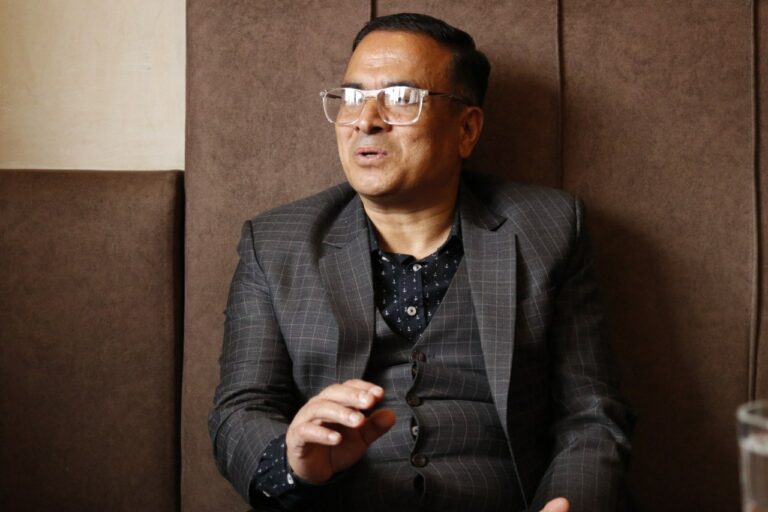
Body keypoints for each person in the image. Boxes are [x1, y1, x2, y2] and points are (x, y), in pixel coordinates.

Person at [209, 12, 634, 512]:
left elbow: (591, 413)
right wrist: (293, 462)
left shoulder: (550, 227)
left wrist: (567, 504)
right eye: (352, 97)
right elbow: (240, 409)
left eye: (401, 98)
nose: (366, 120)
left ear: (467, 129)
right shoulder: (275, 242)